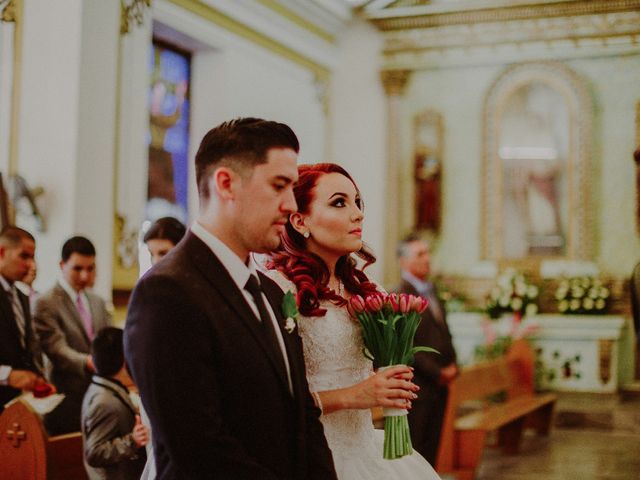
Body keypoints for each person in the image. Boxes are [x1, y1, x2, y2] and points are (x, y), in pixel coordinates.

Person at [124, 118, 337, 479]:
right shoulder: (167, 293)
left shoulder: (270, 292)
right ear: (226, 184)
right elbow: (200, 448)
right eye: (279, 185)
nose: (290, 204)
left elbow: (302, 416)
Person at [266, 163, 440, 479]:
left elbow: (375, 371)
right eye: (339, 202)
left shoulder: (369, 291)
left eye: (357, 202)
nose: (358, 214)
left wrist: (391, 382)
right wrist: (356, 395)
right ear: (299, 219)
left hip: (367, 452)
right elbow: (267, 398)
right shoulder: (278, 290)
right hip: (311, 457)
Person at [34, 236, 112, 434]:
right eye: (78, 269)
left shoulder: (97, 301)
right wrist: (89, 362)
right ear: (62, 264)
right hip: (66, 397)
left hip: (99, 395)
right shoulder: (47, 302)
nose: (85, 276)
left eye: (91, 268)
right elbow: (57, 349)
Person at [392, 233, 458, 466]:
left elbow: (443, 331)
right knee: (416, 451)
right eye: (420, 254)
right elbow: (405, 344)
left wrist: (453, 364)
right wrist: (437, 372)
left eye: (427, 253)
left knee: (432, 450)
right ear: (403, 261)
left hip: (439, 386)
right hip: (419, 385)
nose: (427, 259)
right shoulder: (399, 294)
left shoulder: (432, 291)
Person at [138, 216, 186, 480]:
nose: (157, 260)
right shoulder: (150, 287)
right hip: (156, 386)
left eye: (163, 252)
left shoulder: (192, 288)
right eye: (152, 253)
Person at [81, 327, 148, 480]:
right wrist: (132, 441)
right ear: (125, 360)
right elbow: (94, 453)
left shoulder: (101, 386)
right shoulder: (104, 402)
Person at [0, 226, 48, 412]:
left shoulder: (21, 296)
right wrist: (8, 375)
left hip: (17, 406)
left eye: (33, 257)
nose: (31, 265)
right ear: (2, 252)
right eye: (24, 256)